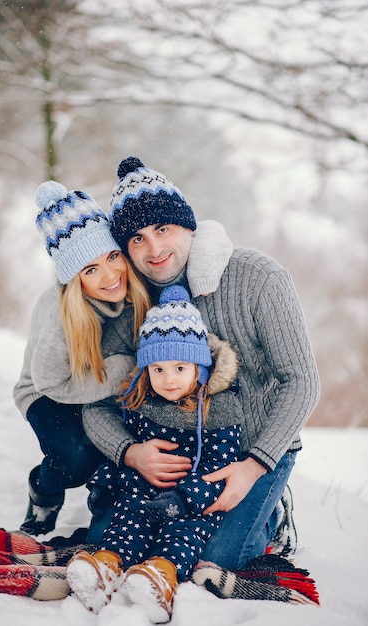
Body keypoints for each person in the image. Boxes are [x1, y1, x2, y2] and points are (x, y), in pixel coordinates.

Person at [82, 156, 321, 580]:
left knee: (209, 559)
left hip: (251, 450)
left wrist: (255, 466)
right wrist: (131, 453)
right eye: (137, 239)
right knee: (112, 543)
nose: (154, 249)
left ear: (187, 225)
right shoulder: (132, 308)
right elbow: (95, 405)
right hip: (163, 454)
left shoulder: (259, 278)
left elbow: (301, 382)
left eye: (163, 229)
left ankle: (268, 509)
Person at [66, 285, 242, 622]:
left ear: (199, 368)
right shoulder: (140, 402)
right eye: (158, 369)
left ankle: (161, 575)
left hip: (191, 501)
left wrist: (185, 499)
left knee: (182, 535)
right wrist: (115, 481)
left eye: (180, 367)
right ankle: (107, 566)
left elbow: (219, 466)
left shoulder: (219, 409)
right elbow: (129, 445)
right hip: (143, 490)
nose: (169, 379)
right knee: (124, 523)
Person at [13, 179, 150, 536]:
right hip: (48, 390)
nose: (110, 275)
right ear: (75, 279)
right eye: (91, 270)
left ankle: (107, 509)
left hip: (99, 383)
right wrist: (124, 369)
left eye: (112, 257)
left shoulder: (134, 288)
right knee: (77, 456)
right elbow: (50, 381)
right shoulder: (60, 319)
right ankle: (43, 490)